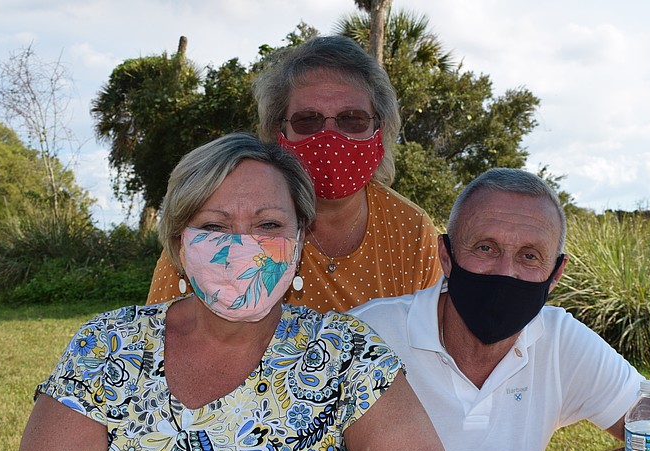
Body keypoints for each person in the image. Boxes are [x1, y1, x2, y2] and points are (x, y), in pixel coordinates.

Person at [10, 133, 457, 451]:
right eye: (214, 226)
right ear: (179, 242)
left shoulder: (343, 354)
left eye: (268, 225)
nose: (242, 248)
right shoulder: (108, 345)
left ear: (300, 237)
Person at [343, 168, 650, 451]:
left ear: (555, 274)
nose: (506, 272)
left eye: (529, 256)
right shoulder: (365, 335)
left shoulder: (560, 340)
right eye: (485, 248)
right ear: (446, 256)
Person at [147, 35, 442, 313]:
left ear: (381, 130)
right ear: (279, 132)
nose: (330, 137)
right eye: (308, 120)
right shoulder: (216, 221)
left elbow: (429, 347)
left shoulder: (411, 230)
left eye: (352, 119)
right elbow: (165, 336)